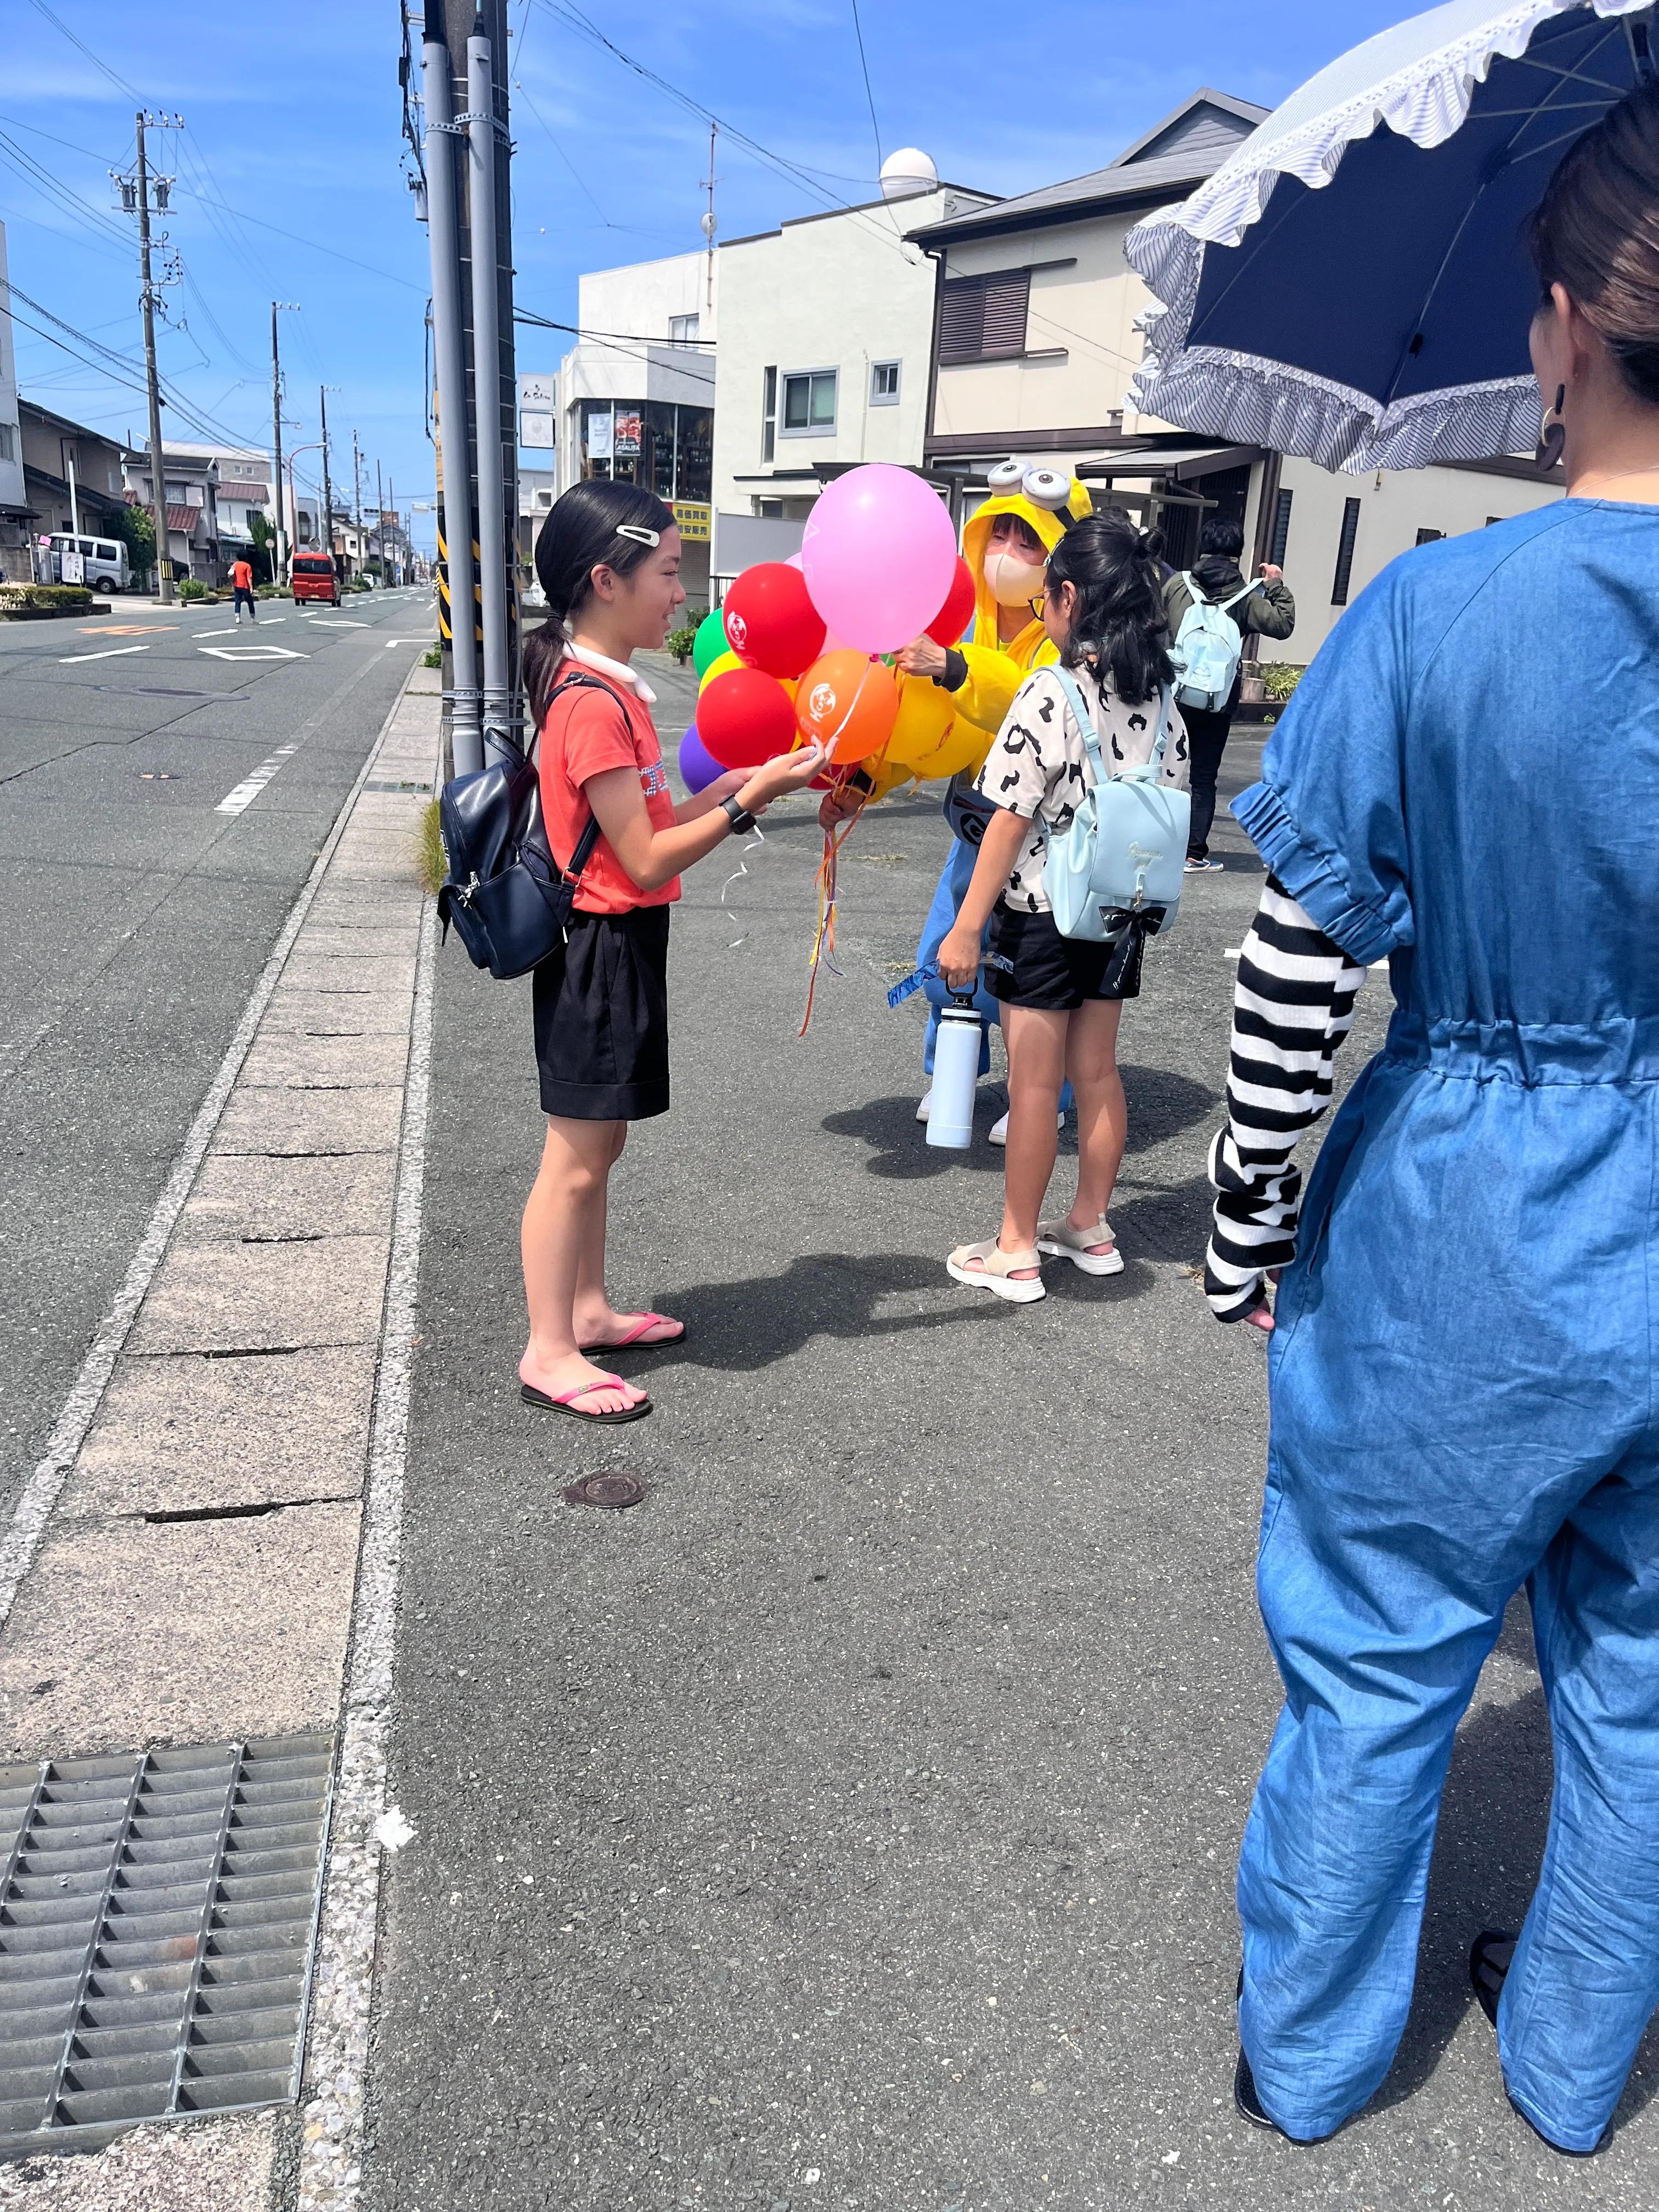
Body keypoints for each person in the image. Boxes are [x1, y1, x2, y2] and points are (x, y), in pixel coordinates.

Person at [1203, 81, 1659, 2157]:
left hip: (1469, 1211)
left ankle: (1305, 2055)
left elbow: (1295, 967)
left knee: (1379, 1644)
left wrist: (1234, 1231)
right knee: (1645, 1689)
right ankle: (1568, 2069)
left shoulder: (1433, 614)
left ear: (1557, 317)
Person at [519, 479, 824, 1424]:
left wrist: (742, 788)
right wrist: (740, 804)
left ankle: (586, 1308)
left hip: (620, 935)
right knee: (572, 1157)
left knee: (599, 1144)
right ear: (604, 581)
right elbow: (647, 858)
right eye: (664, 575)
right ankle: (548, 1346)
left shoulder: (613, 690)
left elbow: (646, 827)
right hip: (595, 947)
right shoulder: (589, 705)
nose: (681, 595)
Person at [936, 511, 1187, 1302]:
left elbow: (1007, 817)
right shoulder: (1161, 695)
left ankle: (1015, 1247)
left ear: (1069, 599)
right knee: (1100, 1072)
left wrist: (967, 926)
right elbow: (1176, 792)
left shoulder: (1050, 691)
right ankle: (1091, 1224)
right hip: (1122, 909)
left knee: (1035, 1087)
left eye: (1046, 597)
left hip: (1043, 912)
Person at [823, 465, 1091, 1144]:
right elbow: (925, 730)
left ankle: (1047, 1095)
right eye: (996, 532)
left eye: (1026, 540)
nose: (1005, 551)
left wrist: (957, 668)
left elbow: (1030, 694)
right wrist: (865, 783)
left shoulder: (1067, 631)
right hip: (974, 831)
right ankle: (951, 1073)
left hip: (1043, 845)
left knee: (1030, 979)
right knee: (943, 958)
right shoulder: (957, 616)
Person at [1161, 519, 1294, 871]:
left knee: (1162, 769)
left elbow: (1153, 624)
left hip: (1173, 693)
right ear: (1238, 552)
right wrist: (1275, 584)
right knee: (1204, 777)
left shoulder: (1177, 585)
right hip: (1218, 702)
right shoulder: (1248, 595)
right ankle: (1192, 853)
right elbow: (1283, 625)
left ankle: (1153, 844)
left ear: (1202, 545)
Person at [231, 555, 257, 623]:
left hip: (237, 585)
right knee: (250, 602)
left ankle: (237, 617)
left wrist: (232, 584)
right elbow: (249, 578)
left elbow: (231, 574)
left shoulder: (235, 564)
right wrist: (251, 587)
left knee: (237, 602)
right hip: (245, 587)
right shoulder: (247, 566)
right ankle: (253, 617)